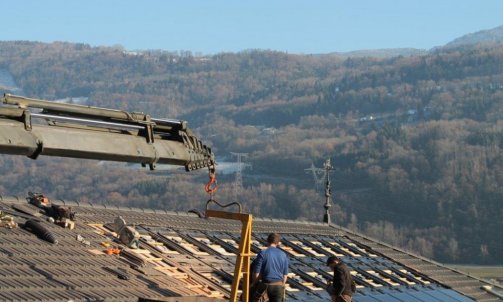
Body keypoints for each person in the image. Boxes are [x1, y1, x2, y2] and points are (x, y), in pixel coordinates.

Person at [252, 233, 289, 302]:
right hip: (278, 286)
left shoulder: (263, 253)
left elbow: (256, 273)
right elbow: (285, 276)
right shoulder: (284, 255)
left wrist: (255, 284)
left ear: (267, 241)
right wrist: (282, 286)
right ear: (278, 243)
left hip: (265, 286)